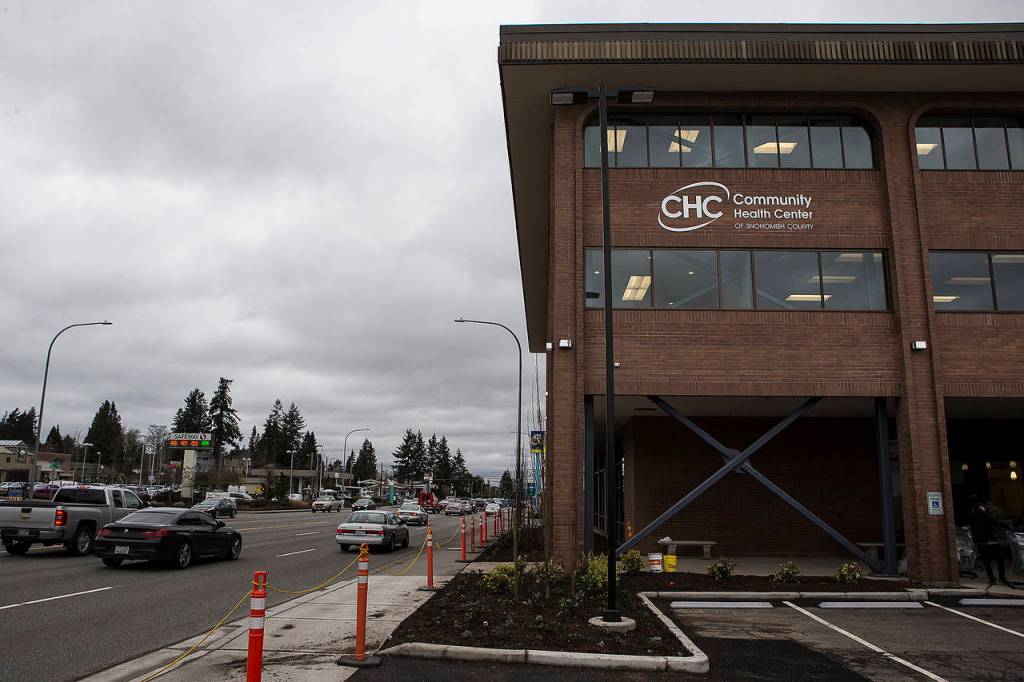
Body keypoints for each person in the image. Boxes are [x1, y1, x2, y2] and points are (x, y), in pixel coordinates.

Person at [970, 500, 1008, 586]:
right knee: (1000, 559)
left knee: (986, 562)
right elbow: (995, 522)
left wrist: (975, 541)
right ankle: (1002, 578)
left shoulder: (973, 517)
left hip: (981, 542)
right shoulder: (986, 515)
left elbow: (973, 530)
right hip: (991, 541)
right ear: (981, 507)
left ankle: (992, 579)